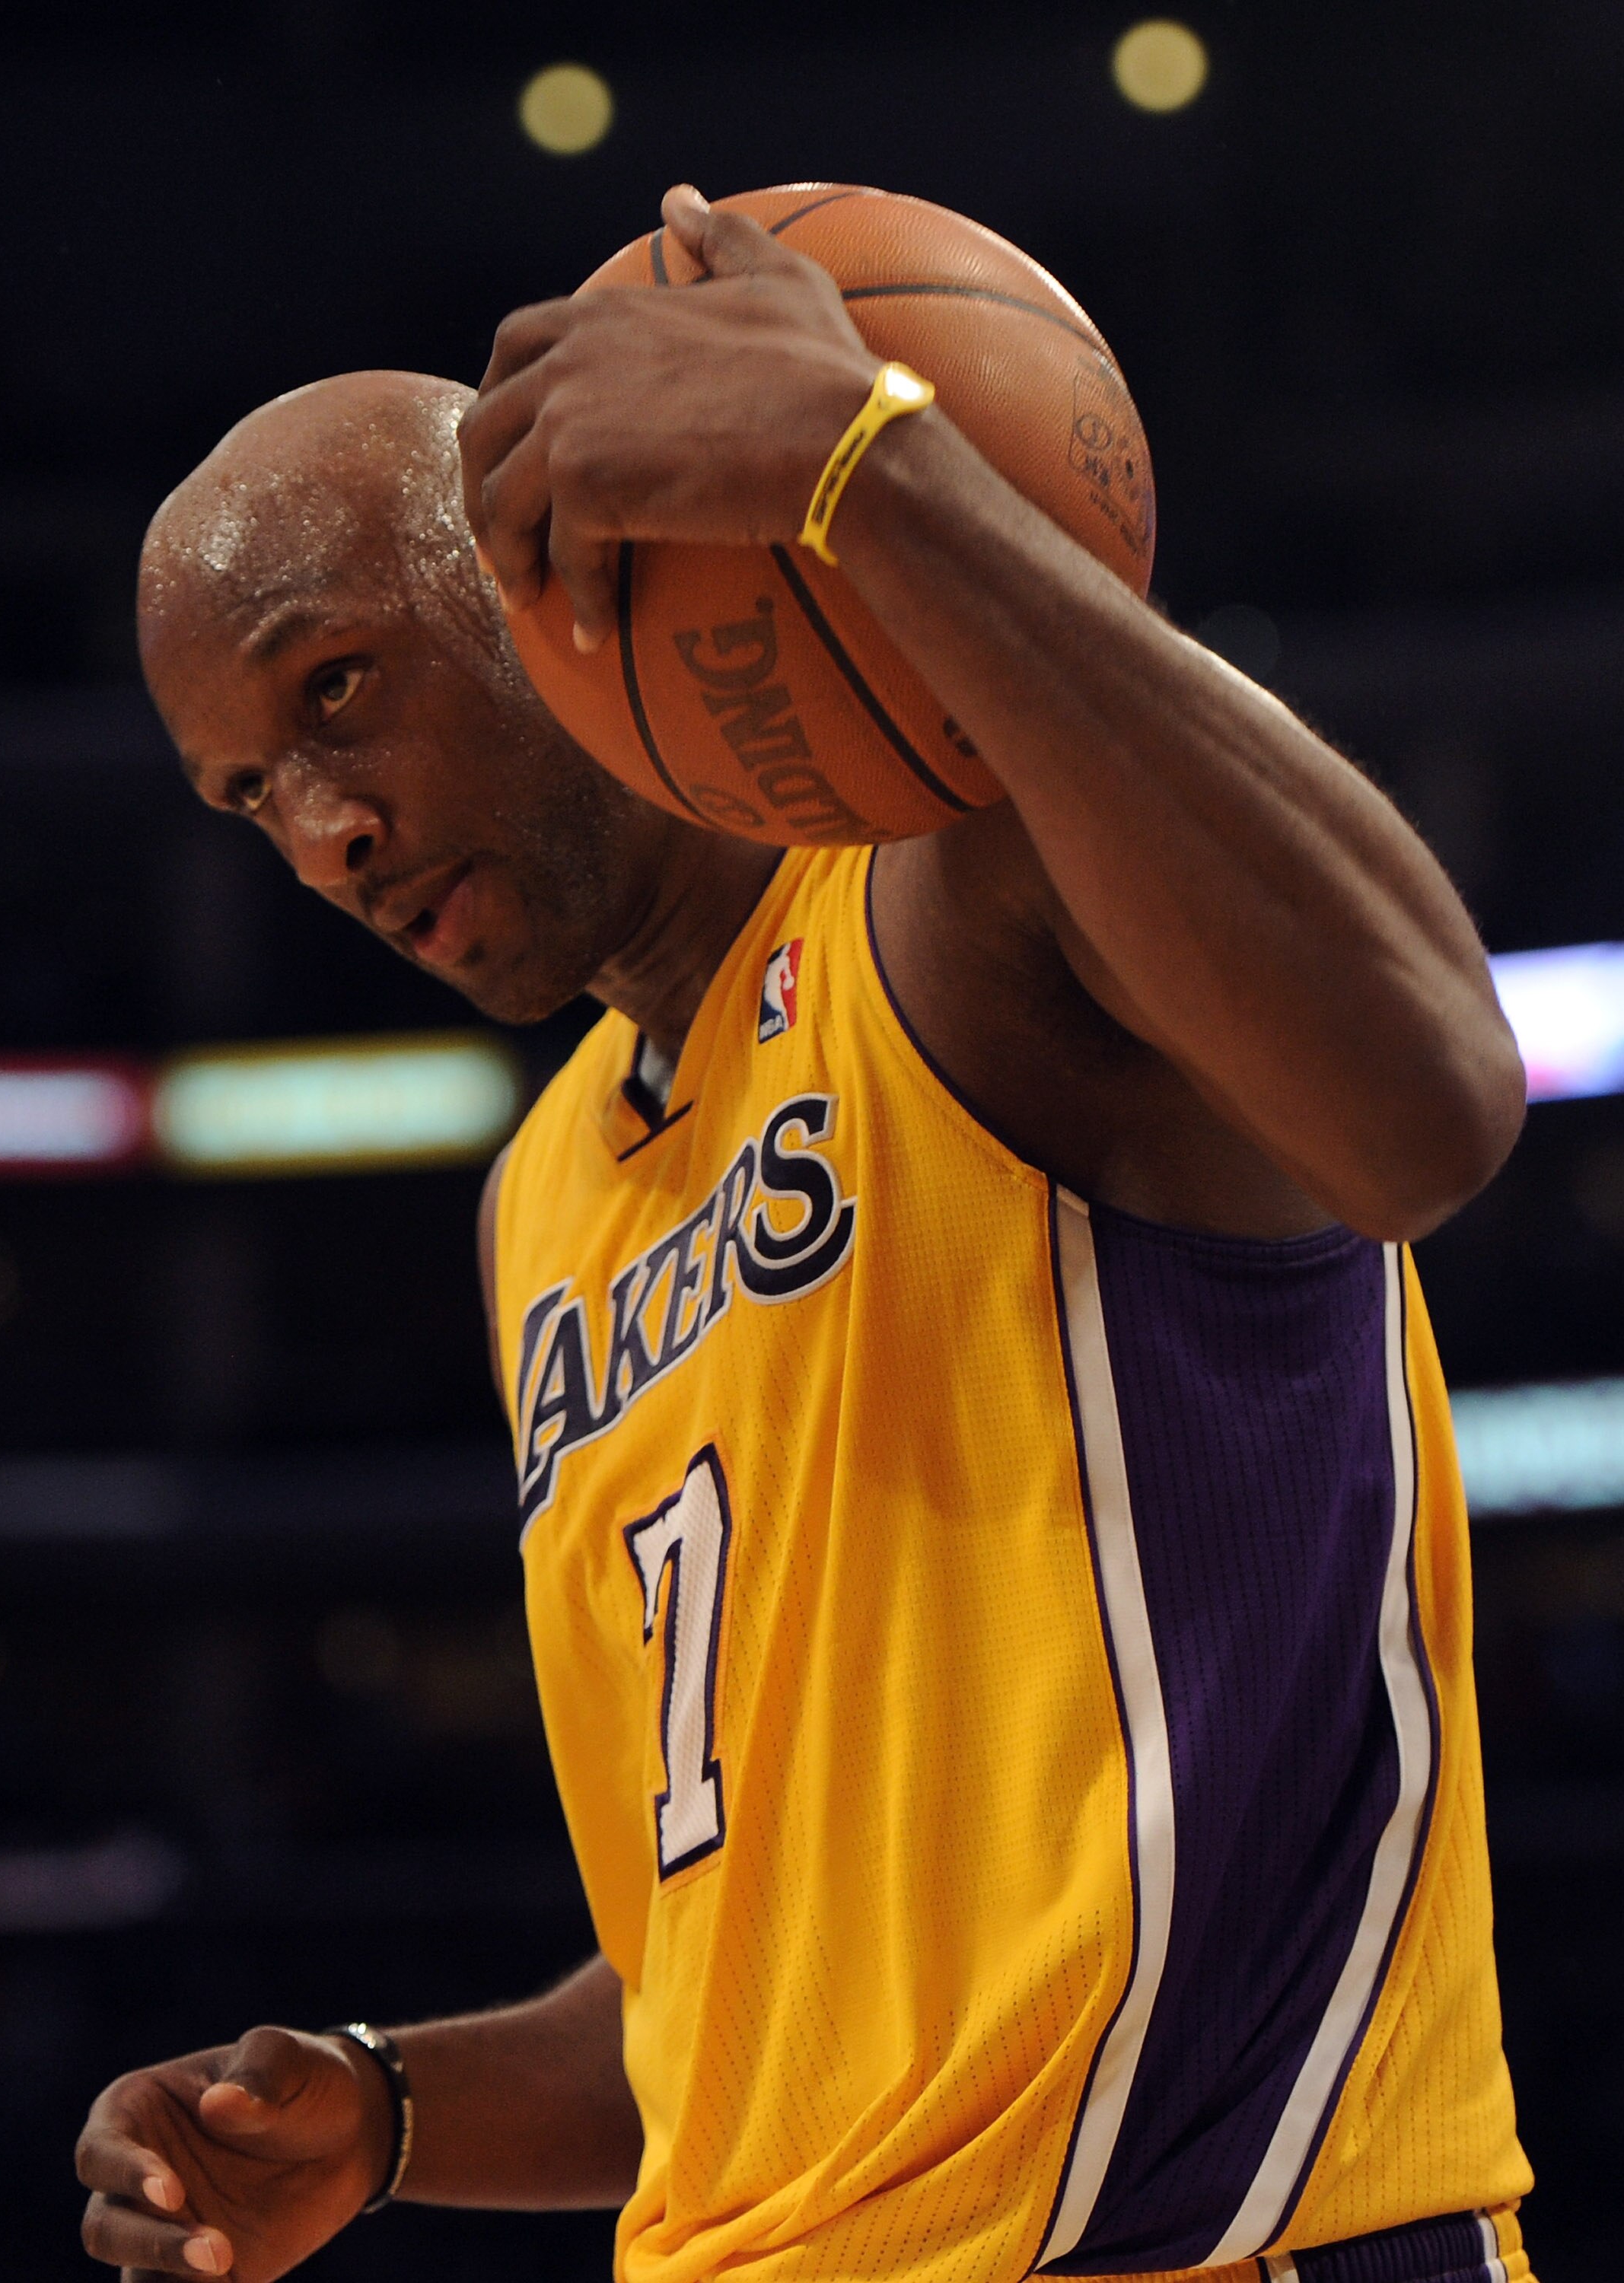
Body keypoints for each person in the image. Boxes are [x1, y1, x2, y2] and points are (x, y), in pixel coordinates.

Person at [77, 185, 1535, 2283]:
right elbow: (739, 1987)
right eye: (245, 800)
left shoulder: (969, 900)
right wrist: (393, 2109)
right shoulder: (545, 1199)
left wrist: (872, 470)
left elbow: (1434, 1094)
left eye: (336, 696)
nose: (326, 835)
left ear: (552, 585)